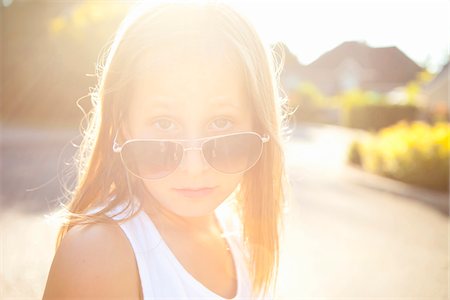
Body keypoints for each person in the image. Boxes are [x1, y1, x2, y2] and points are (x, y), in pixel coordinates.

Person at [43, 1, 290, 299]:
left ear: (258, 123)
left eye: (221, 122)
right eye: (163, 123)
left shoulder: (235, 230)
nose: (194, 166)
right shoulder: (97, 254)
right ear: (124, 126)